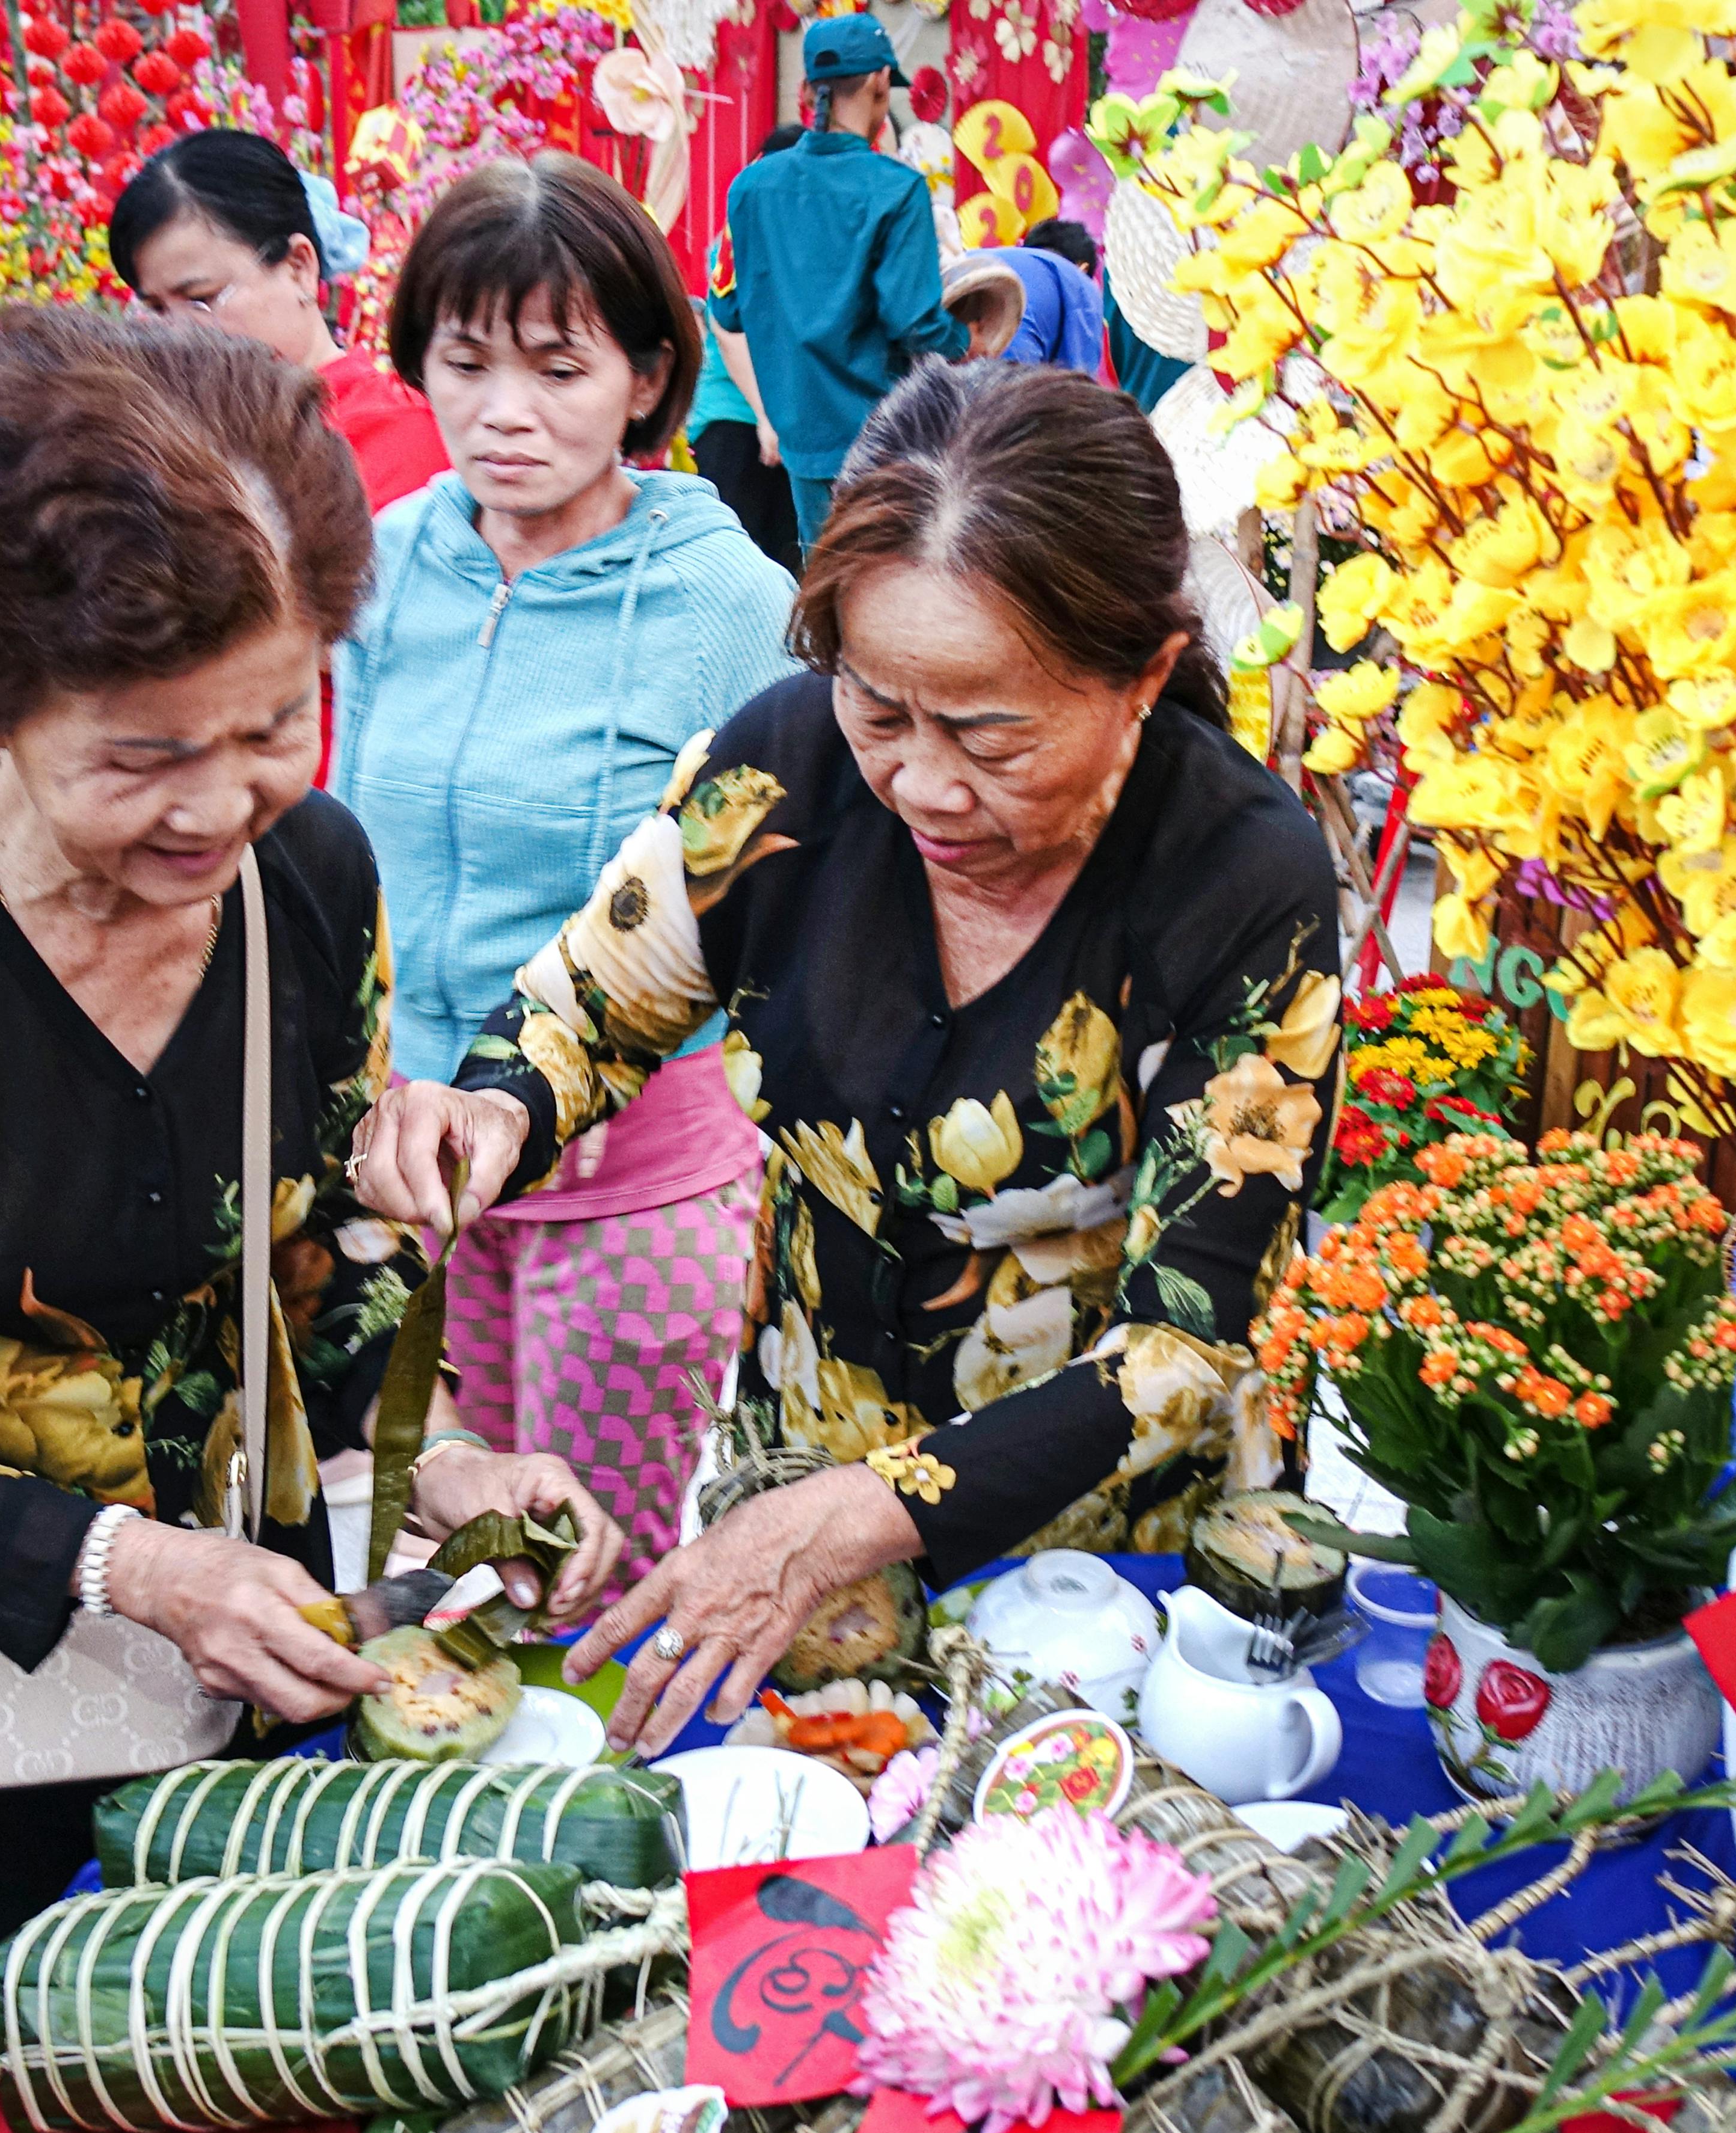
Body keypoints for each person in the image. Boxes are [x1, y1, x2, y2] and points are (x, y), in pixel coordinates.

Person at [0, 304, 619, 2133]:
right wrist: (126, 1563)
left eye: (273, 724)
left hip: (234, 1635)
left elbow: (315, 1259)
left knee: (224, 2084)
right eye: (138, 757)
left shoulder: (311, 878)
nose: (217, 804)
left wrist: (437, 1466)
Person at [353, 360, 1342, 1752]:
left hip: (1113, 1539)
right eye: (881, 711)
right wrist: (492, 1115)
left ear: (1144, 674)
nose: (927, 784)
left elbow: (1187, 1339)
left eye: (992, 733)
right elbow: (583, 1009)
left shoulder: (1238, 877)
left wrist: (865, 1511)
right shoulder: (783, 771)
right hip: (805, 1461)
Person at [334, 155, 793, 1611]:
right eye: (463, 364)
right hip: (418, 1172)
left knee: (594, 1578)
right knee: (449, 1562)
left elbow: (773, 892)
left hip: (634, 1185)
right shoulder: (389, 563)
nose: (503, 413)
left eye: (556, 366)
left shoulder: (730, 605)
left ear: (649, 374)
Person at [710, 17, 975, 553]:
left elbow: (731, 308)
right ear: (881, 81)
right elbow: (914, 321)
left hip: (803, 444)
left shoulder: (751, 187)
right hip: (887, 438)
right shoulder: (897, 190)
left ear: (807, 91)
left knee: (827, 591)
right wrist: (968, 339)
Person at [111, 129, 449, 511]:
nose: (176, 335)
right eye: (157, 310)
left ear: (298, 267)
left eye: (200, 299)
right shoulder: (168, 445)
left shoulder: (404, 438)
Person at [686, 124, 802, 576]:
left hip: (786, 430)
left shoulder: (804, 246)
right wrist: (766, 417)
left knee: (787, 570)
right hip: (736, 421)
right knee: (734, 566)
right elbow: (733, 338)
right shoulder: (739, 241)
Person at [1004, 218, 1107, 375]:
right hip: (1010, 376)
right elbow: (1079, 378)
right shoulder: (1080, 284)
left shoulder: (990, 257)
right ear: (1083, 270)